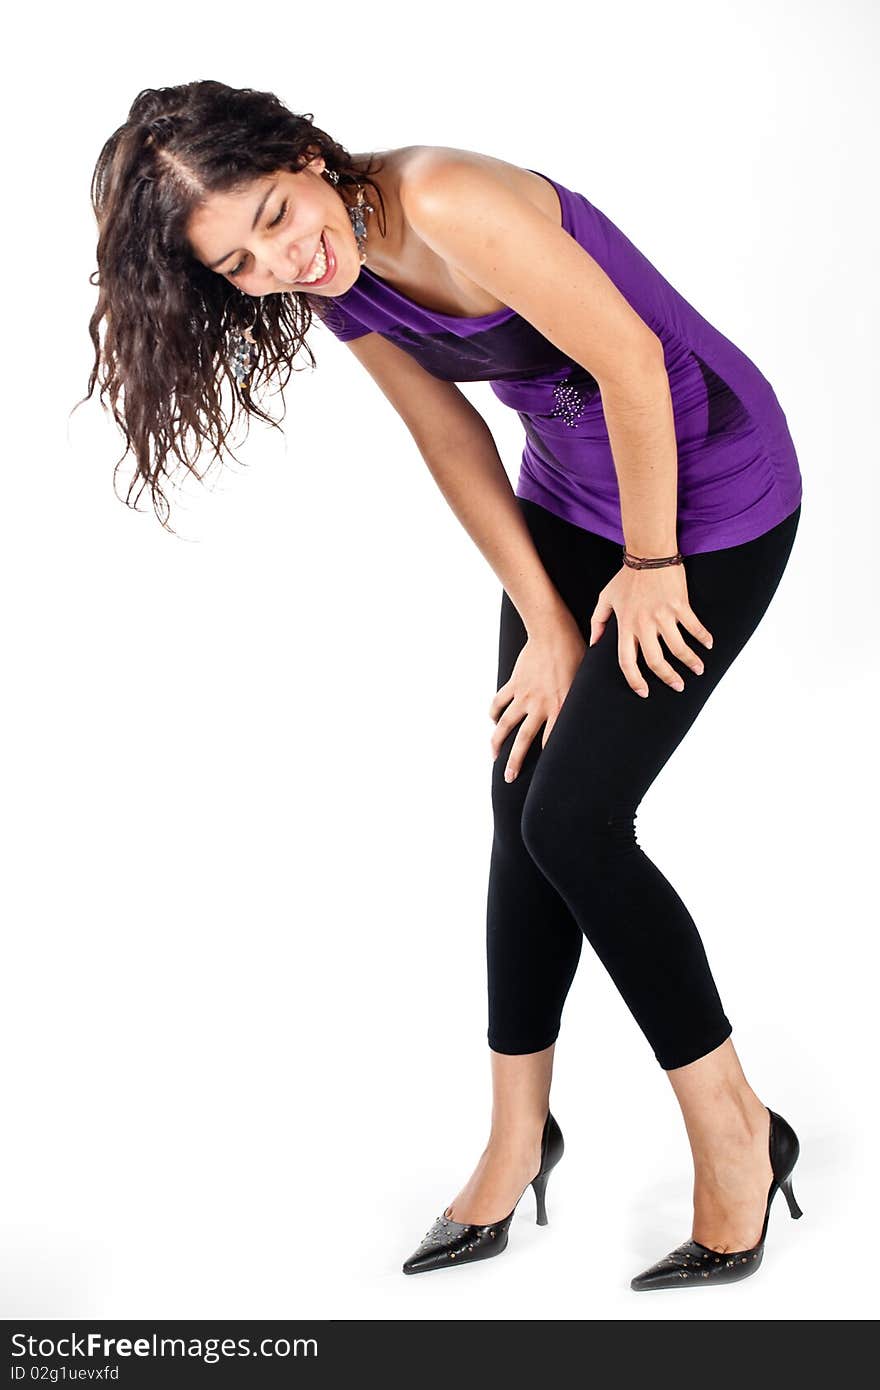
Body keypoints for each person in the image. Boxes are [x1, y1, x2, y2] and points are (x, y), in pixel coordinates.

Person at [85, 80, 805, 1292]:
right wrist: (543, 618)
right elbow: (451, 436)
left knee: (578, 824)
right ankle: (518, 1139)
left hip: (709, 491)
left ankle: (737, 1130)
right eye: (241, 263)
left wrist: (647, 564)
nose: (280, 259)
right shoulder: (328, 272)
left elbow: (630, 359)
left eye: (274, 213)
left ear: (309, 154)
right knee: (519, 796)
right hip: (577, 491)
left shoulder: (443, 196)